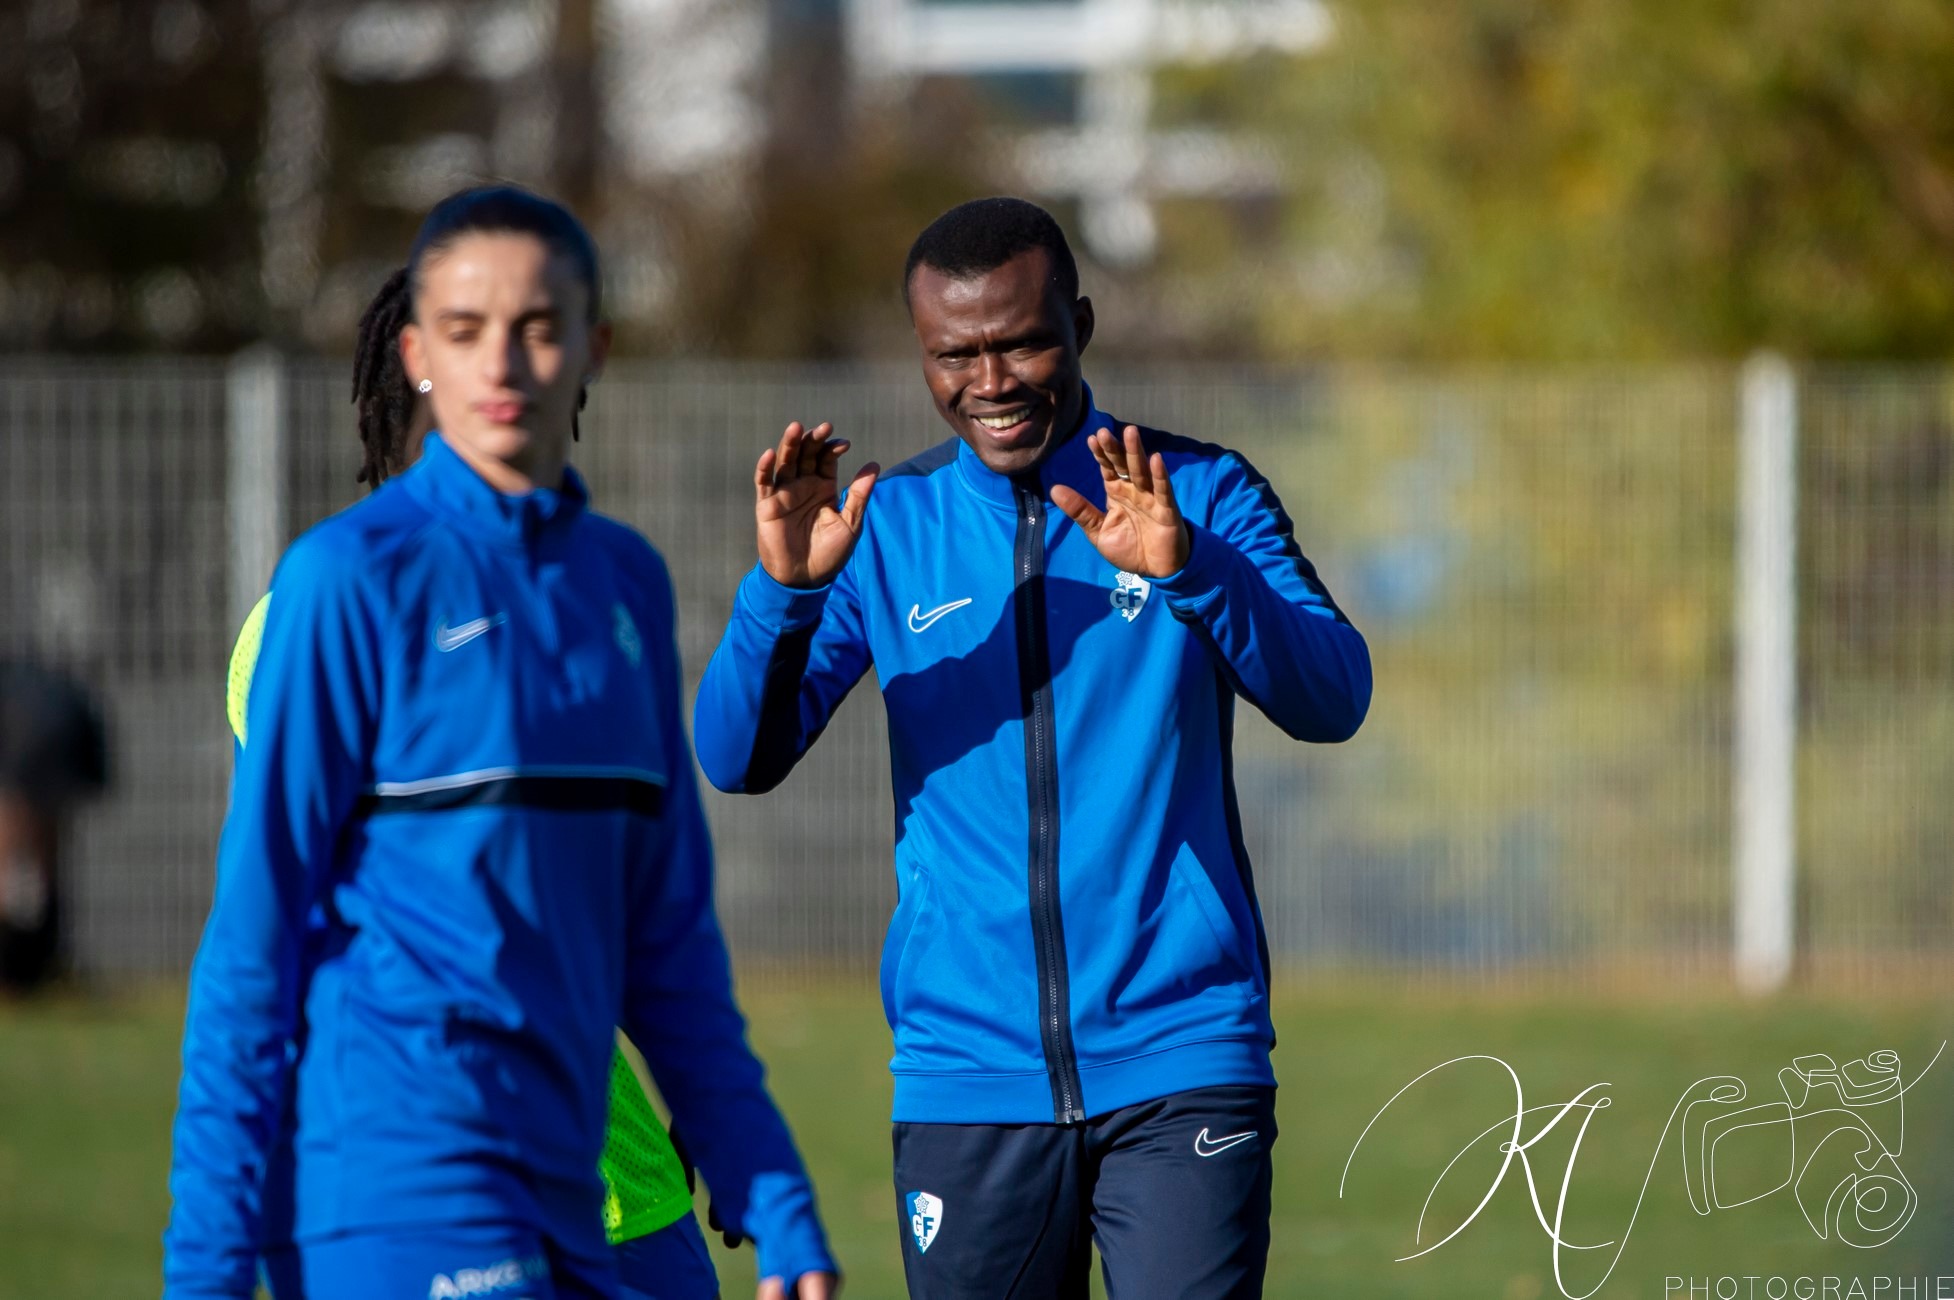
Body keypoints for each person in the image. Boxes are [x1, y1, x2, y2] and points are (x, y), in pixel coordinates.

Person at [164, 185, 837, 1300]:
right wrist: (206, 1268)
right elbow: (255, 951)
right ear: (417, 366)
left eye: (537, 329)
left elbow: (656, 934)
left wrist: (758, 1170)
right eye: (465, 337)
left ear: (588, 352)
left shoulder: (619, 586)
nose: (503, 371)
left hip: (622, 1191)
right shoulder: (325, 602)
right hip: (406, 1190)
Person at [694, 196, 1372, 1299]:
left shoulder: (1198, 492)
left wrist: (1191, 569)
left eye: (1020, 340)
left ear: (1081, 323)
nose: (991, 379)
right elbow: (736, 756)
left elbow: (1334, 694)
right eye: (954, 353)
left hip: (1182, 1056)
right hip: (965, 1079)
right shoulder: (886, 527)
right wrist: (783, 592)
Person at [0, 657, 108, 991]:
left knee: (10, 858)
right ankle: (41, 958)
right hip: (70, 738)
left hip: (35, 744)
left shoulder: (17, 694)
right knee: (46, 858)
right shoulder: (42, 683)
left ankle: (17, 965)